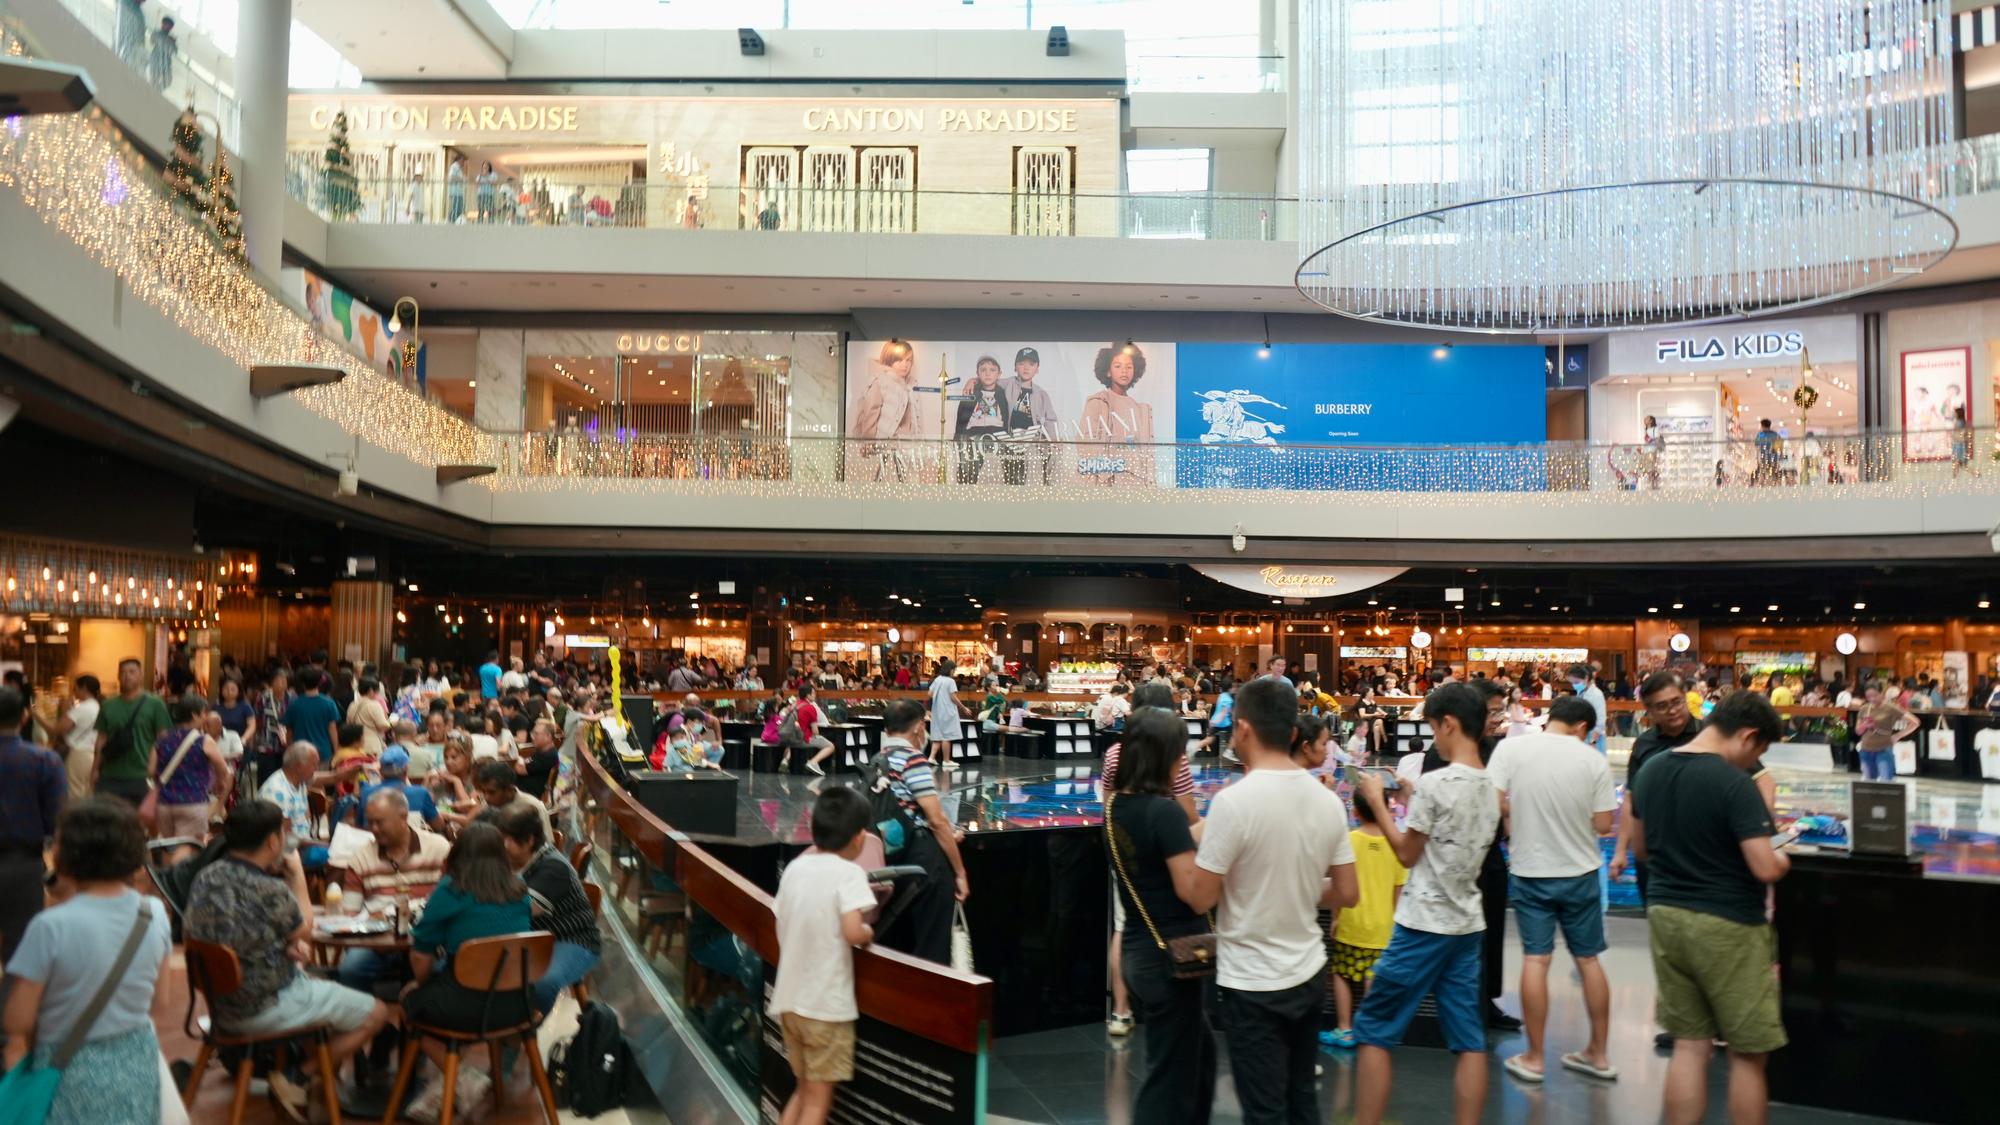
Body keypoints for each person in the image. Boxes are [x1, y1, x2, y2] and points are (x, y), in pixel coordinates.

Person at [1184, 676, 1358, 1125]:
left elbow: (1202, 894)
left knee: (1264, 1109)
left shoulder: (1233, 803)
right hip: (1308, 971)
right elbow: (1347, 892)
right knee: (1302, 1098)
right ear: (1294, 732)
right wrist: (1296, 885)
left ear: (1242, 728)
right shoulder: (1327, 801)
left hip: (1252, 981)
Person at [1627, 692, 1791, 1125]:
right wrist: (1783, 855)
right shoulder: (1734, 784)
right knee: (1748, 1055)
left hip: (1666, 915)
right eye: (1759, 751)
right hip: (1727, 925)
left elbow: (1641, 850)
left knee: (1689, 1043)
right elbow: (1765, 866)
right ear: (1749, 736)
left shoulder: (1651, 770)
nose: (1754, 761)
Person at [1351, 683, 1504, 1125]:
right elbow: (1449, 832)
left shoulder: (1436, 782)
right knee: (1468, 1040)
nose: (1434, 736)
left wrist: (1380, 803)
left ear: (1450, 724)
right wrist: (1406, 797)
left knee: (1375, 1028)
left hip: (1422, 924)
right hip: (1467, 923)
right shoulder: (1493, 787)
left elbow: (1406, 853)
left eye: (1435, 727)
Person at [186, 800, 392, 1119]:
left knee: (319, 984)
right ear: (272, 840)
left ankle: (315, 1090)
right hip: (262, 1006)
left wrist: (284, 947)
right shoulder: (269, 888)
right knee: (376, 1013)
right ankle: (299, 1075)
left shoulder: (207, 876)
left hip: (220, 1006)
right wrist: (296, 875)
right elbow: (305, 930)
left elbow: (236, 934)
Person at [2, 798, 174, 1124]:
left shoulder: (49, 926)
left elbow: (17, 1020)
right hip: (137, 1058)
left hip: (69, 1069)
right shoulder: (153, 914)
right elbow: (159, 1002)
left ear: (64, 857)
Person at [1486, 696, 1618, 1083]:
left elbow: (1492, 805)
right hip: (1581, 873)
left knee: (1535, 960)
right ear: (1581, 727)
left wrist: (1516, 815)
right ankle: (1598, 1054)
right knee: (1589, 960)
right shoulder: (1592, 760)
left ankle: (1535, 1057)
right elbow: (1604, 825)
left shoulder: (1511, 748)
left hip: (1531, 872)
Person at [1104, 708, 1216, 1123]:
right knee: (1169, 1077)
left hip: (1140, 950)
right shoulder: (1164, 810)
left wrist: (1215, 825)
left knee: (1197, 1060)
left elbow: (1165, 847)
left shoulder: (1118, 805)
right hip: (1173, 958)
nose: (1183, 758)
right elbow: (1195, 895)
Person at [395, 823, 533, 1119]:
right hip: (518, 1003)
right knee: (439, 992)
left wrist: (422, 985)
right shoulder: (520, 890)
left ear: (458, 854)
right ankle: (460, 1082)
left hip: (468, 1007)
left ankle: (461, 1079)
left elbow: (420, 955)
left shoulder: (451, 889)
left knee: (410, 1003)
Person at [769, 787, 877, 1125]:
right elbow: (853, 931)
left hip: (789, 1002)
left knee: (802, 1092)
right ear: (860, 839)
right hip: (825, 1008)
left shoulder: (796, 869)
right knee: (817, 1104)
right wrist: (868, 933)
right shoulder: (850, 874)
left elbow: (780, 920)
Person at [871, 700, 969, 965]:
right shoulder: (913, 759)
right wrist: (960, 872)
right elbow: (936, 820)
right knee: (933, 945)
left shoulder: (878, 759)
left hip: (893, 855)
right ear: (918, 727)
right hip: (925, 862)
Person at [1318, 775, 1406, 1053]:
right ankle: (1369, 1030)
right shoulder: (1397, 845)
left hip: (1350, 923)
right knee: (1372, 976)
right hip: (1383, 928)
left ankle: (1345, 1029)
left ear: (1354, 812)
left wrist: (1335, 918)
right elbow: (1398, 894)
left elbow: (1337, 887)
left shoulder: (1348, 841)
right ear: (1386, 808)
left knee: (1342, 974)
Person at [493, 803, 600, 1013]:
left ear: (529, 840)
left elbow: (519, 911)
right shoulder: (514, 860)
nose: (502, 845)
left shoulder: (553, 867)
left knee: (541, 982)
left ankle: (524, 1030)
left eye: (509, 839)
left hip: (572, 940)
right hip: (533, 938)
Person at [0, 686, 64, 959]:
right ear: (25, 716)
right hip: (23, 864)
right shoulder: (45, 760)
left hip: (21, 858)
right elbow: (59, 820)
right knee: (21, 951)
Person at [151, 693, 230, 849]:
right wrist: (219, 783)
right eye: (203, 713)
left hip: (164, 803)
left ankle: (168, 872)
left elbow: (150, 769)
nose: (205, 717)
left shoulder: (162, 740)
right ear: (194, 715)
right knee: (189, 849)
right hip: (192, 802)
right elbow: (223, 769)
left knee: (168, 847)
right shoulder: (204, 741)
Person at [92, 657, 171, 806]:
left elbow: (163, 739)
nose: (127, 676)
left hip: (141, 775)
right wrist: (95, 769)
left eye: (132, 672)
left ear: (140, 675)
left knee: (139, 824)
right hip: (110, 775)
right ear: (118, 677)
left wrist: (157, 770)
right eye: (123, 672)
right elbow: (101, 739)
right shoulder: (108, 705)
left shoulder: (155, 704)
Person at [1078, 344, 1155, 489]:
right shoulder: (1099, 402)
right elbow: (1084, 442)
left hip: (1136, 483)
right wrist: (1106, 471)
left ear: (1135, 371)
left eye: (1129, 367)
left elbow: (1145, 452)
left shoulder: (1142, 409)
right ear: (1108, 371)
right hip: (1108, 483)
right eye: (1118, 366)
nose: (1124, 371)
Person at [261, 741, 334, 869]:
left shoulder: (299, 781)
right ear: (299, 767)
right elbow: (286, 839)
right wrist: (324, 844)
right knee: (336, 858)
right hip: (285, 852)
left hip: (300, 843)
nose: (317, 768)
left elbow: (334, 777)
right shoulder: (279, 791)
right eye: (314, 765)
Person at [1000, 346, 1060, 485]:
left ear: (1037, 368)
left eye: (1031, 364)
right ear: (1015, 367)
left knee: (1038, 467)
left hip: (1032, 441)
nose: (1026, 368)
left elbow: (1050, 420)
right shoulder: (1007, 384)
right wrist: (972, 380)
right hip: (1011, 441)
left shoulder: (1041, 394)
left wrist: (1054, 439)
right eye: (1021, 364)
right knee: (1013, 481)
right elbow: (988, 382)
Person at [952, 355, 1012, 484]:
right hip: (973, 436)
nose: (988, 374)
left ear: (999, 373)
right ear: (977, 373)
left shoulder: (1004, 393)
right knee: (967, 475)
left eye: (992, 370)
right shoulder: (972, 392)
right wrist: (958, 438)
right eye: (983, 370)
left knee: (1007, 470)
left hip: (998, 436)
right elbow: (961, 417)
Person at [358, 746, 442, 829]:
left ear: (380, 771)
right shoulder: (421, 793)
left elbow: (360, 826)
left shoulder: (366, 792)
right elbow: (438, 825)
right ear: (406, 769)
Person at [473, 757, 553, 843]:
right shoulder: (489, 805)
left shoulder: (534, 806)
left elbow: (546, 846)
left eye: (491, 792)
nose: (486, 797)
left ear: (509, 790)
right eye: (483, 792)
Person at [1853, 681, 1918, 781]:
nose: (1872, 699)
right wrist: (1865, 725)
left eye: (1875, 695)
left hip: (1884, 749)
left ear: (1882, 693)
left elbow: (1915, 722)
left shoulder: (1891, 707)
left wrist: (1898, 736)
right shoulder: (1865, 708)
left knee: (1886, 782)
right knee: (1869, 784)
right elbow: (1858, 731)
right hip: (1866, 750)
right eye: (1868, 696)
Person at [282, 667, 341, 765]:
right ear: (319, 683)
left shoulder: (294, 704)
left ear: (303, 684)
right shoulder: (329, 703)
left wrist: (289, 749)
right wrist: (336, 750)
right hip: (323, 752)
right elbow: (332, 729)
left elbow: (289, 732)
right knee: (322, 779)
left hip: (300, 754)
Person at [926, 658, 964, 771]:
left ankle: (932, 757)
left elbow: (930, 693)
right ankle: (946, 760)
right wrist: (963, 707)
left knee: (938, 735)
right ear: (951, 670)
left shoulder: (937, 679)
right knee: (947, 736)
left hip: (937, 711)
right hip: (948, 711)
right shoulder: (950, 681)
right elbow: (953, 697)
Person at [1566, 662, 1607, 753]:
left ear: (1586, 678)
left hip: (1594, 739)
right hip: (1582, 738)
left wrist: (1593, 742)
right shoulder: (1581, 693)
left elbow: (1600, 722)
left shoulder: (1596, 695)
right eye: (1572, 683)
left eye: (1576, 682)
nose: (1574, 685)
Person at [347, 676, 391, 759]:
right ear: (371, 690)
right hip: (371, 746)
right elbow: (382, 726)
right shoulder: (374, 705)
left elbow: (349, 723)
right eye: (377, 691)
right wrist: (392, 722)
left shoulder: (352, 705)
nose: (377, 694)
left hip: (355, 745)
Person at [146, 15, 177, 91]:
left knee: (166, 81)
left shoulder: (171, 40)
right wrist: (168, 41)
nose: (168, 28)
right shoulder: (157, 33)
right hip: (155, 61)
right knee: (152, 79)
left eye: (170, 26)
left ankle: (157, 91)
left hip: (166, 64)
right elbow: (153, 40)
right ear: (162, 24)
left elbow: (174, 51)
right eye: (167, 25)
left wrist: (170, 41)